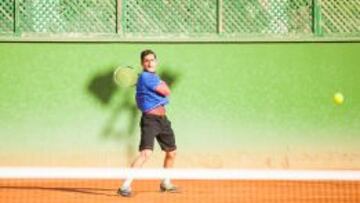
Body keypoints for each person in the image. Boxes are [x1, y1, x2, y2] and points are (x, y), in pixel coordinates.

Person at [118, 49, 177, 197]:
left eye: (152, 60)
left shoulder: (151, 77)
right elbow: (166, 91)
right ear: (142, 63)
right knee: (146, 153)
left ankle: (165, 182)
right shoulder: (146, 77)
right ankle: (125, 186)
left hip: (163, 120)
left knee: (172, 152)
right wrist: (162, 83)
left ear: (156, 61)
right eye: (146, 61)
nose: (150, 63)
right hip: (150, 120)